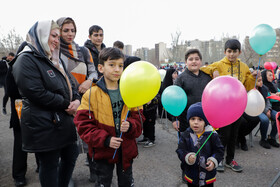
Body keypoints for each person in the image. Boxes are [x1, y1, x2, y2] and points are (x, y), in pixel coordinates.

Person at [12, 20, 80, 187]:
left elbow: (71, 83)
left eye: (58, 36)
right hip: (43, 124)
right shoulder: (26, 59)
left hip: (62, 120)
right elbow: (36, 93)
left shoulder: (54, 58)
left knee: (72, 155)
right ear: (41, 34)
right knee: (49, 165)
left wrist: (77, 99)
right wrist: (67, 104)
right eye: (53, 35)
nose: (57, 40)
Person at [74, 47, 144, 187]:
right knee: (102, 182)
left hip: (126, 150)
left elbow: (139, 119)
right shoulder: (91, 94)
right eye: (111, 65)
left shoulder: (130, 91)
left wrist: (130, 126)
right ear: (101, 67)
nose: (117, 69)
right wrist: (105, 139)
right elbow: (83, 126)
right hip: (103, 152)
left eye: (120, 65)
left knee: (126, 182)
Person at [201, 39, 257, 172]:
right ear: (225, 52)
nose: (232, 54)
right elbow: (204, 68)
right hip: (223, 107)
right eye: (229, 51)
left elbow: (247, 86)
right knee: (224, 135)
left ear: (239, 52)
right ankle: (218, 158)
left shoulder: (243, 67)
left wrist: (253, 77)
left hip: (238, 107)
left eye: (234, 51)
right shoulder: (219, 64)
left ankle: (230, 159)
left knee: (234, 135)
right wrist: (214, 69)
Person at [56, 17, 98, 183]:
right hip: (67, 100)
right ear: (58, 31)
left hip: (86, 99)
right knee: (67, 139)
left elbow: (94, 72)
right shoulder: (55, 51)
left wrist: (89, 81)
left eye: (72, 30)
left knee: (90, 136)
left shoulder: (83, 51)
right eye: (65, 30)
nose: (70, 34)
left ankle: (94, 170)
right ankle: (67, 175)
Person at [176, 102, 224, 187]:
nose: (196, 122)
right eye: (193, 119)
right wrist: (187, 156)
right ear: (188, 120)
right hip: (191, 175)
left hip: (208, 177)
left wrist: (213, 160)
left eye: (200, 119)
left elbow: (219, 150)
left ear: (205, 122)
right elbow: (180, 150)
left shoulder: (212, 134)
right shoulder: (186, 135)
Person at [172, 49, 212, 133]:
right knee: (187, 144)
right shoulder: (180, 78)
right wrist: (174, 119)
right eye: (191, 59)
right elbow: (174, 100)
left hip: (205, 119)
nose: (194, 61)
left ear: (201, 61)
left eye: (197, 59)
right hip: (185, 120)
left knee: (205, 144)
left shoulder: (207, 77)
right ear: (186, 62)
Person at [261, 69, 280, 148]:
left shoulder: (273, 85)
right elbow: (269, 98)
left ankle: (271, 137)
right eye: (269, 75)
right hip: (265, 108)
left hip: (271, 107)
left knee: (278, 116)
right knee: (267, 119)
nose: (272, 77)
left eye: (272, 75)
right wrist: (276, 95)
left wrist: (276, 94)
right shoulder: (263, 86)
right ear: (264, 77)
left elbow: (277, 93)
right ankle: (263, 139)